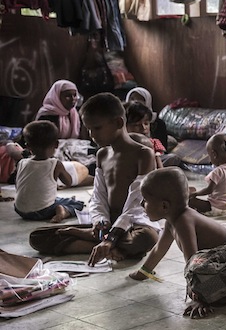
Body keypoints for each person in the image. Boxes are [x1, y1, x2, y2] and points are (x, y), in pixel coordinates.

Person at [129, 168, 226, 319]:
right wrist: (143, 272)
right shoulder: (171, 222)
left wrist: (199, 298)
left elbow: (192, 262)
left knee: (198, 282)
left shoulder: (183, 220)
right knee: (210, 287)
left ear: (164, 206)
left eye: (146, 200)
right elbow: (158, 250)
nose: (142, 204)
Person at [28, 93, 160, 264]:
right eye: (88, 128)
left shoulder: (143, 154)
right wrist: (100, 221)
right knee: (37, 236)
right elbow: (98, 196)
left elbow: (136, 203)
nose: (91, 134)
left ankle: (103, 244)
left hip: (135, 223)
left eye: (97, 128)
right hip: (107, 224)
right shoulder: (102, 155)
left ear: (119, 123)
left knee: (147, 238)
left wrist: (111, 237)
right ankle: (108, 247)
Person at [13, 121, 84, 223]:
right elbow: (68, 182)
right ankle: (63, 211)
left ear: (27, 146)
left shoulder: (22, 162)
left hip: (20, 210)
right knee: (77, 204)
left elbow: (18, 185)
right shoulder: (55, 164)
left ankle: (59, 206)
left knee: (54, 198)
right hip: (43, 211)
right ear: (56, 144)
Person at [188, 133, 226, 215]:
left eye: (209, 155)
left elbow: (209, 190)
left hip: (215, 207)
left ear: (214, 154)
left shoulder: (218, 171)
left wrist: (195, 194)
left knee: (190, 201)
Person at [125, 86, 169, 151]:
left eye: (146, 123)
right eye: (132, 99)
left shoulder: (158, 123)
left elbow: (161, 151)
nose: (136, 101)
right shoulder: (123, 120)